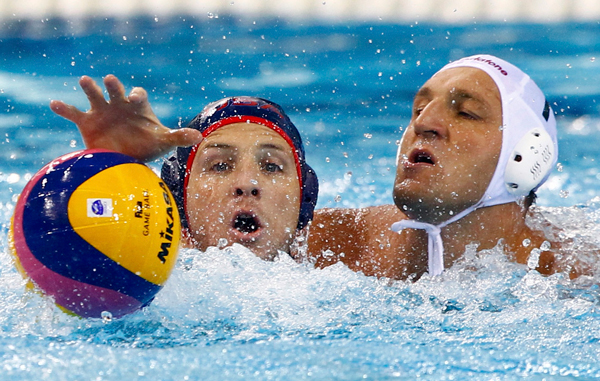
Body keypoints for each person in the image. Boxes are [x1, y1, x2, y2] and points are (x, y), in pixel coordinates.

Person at [306, 54, 588, 280]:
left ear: (526, 153)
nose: (423, 123)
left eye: (466, 113)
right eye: (418, 109)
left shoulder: (575, 276)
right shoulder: (327, 244)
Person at [50, 76, 318, 260]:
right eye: (220, 165)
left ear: (304, 201)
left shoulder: (346, 252)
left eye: (272, 167)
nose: (247, 183)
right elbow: (53, 245)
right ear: (180, 201)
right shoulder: (143, 270)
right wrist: (114, 168)